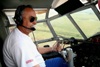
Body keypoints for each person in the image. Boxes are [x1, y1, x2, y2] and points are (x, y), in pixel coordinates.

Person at [3, 5, 68, 67]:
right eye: (31, 19)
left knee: (60, 61)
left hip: (38, 63)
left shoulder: (21, 34)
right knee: (64, 62)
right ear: (20, 20)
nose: (35, 22)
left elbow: (35, 50)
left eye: (35, 19)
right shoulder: (19, 43)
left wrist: (52, 49)